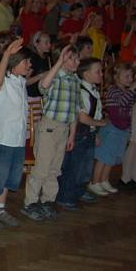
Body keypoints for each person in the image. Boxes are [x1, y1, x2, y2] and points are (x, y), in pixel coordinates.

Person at [22, 45, 80, 221]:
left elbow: (75, 110)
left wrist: (71, 134)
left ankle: (48, 200)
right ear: (61, 60)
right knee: (42, 167)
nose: (77, 62)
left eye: (78, 59)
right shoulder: (54, 76)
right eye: (72, 59)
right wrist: (60, 62)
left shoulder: (75, 80)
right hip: (49, 127)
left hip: (63, 129)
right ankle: (30, 202)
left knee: (54, 169)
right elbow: (43, 86)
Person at [0, 38, 31, 229]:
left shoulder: (20, 81)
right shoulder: (3, 83)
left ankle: (0, 209)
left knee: (10, 178)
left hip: (17, 141)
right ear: (13, 64)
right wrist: (7, 54)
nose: (29, 65)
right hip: (2, 140)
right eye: (25, 62)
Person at [56, 58, 106, 208]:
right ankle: (66, 196)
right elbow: (82, 117)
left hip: (88, 134)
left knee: (85, 167)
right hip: (78, 134)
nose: (101, 74)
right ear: (86, 74)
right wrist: (100, 123)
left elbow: (94, 113)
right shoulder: (82, 92)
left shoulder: (92, 90)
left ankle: (78, 191)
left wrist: (95, 132)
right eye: (98, 71)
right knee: (74, 167)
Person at [88, 63, 136, 195]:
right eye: (126, 76)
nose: (130, 79)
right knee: (104, 157)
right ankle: (95, 182)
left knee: (113, 157)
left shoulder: (127, 92)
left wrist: (129, 130)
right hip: (113, 129)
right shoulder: (112, 90)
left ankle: (104, 180)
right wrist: (131, 90)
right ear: (116, 77)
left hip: (122, 130)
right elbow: (121, 103)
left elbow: (129, 112)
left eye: (131, 76)